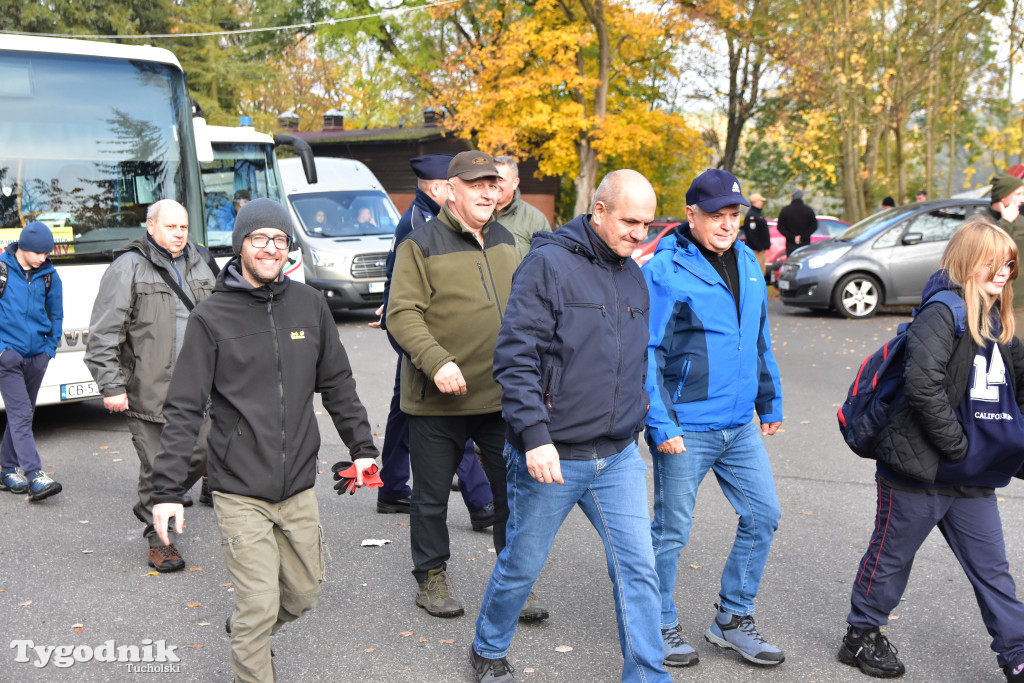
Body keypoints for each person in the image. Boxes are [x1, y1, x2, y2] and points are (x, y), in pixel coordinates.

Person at [150, 198, 380, 683]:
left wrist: (362, 450)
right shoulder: (212, 317)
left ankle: (247, 633)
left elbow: (337, 384)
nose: (271, 248)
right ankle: (251, 648)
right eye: (259, 239)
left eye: (279, 239)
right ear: (241, 246)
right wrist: (168, 490)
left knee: (303, 594)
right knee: (258, 603)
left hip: (297, 483)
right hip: (238, 488)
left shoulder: (309, 304)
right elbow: (184, 407)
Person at [470, 169, 669, 683]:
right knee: (521, 566)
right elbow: (515, 360)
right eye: (629, 221)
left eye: (646, 224)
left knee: (638, 570)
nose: (638, 234)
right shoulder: (547, 264)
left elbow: (637, 358)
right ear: (598, 211)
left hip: (618, 456)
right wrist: (535, 437)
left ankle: (647, 676)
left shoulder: (633, 272)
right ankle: (488, 646)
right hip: (552, 456)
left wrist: (646, 416)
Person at [838, 216, 1024, 682]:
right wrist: (957, 446)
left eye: (1010, 265)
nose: (1003, 272)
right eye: (994, 263)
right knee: (891, 559)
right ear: (968, 261)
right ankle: (860, 636)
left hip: (971, 475)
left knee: (993, 571)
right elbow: (923, 386)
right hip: (920, 469)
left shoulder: (995, 317)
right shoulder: (943, 311)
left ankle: (1017, 653)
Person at [644, 168, 785, 668]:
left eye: (733, 216)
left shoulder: (748, 261)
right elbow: (648, 352)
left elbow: (759, 337)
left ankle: (732, 617)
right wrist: (662, 425)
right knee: (671, 531)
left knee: (763, 515)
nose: (727, 225)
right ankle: (657, 620)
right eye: (716, 216)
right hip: (686, 427)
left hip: (739, 425)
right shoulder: (665, 269)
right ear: (691, 214)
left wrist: (769, 400)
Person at [386, 150, 519, 620]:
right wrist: (436, 360)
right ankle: (431, 578)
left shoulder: (507, 241)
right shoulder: (419, 244)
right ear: (450, 190)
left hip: (500, 399)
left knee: (512, 497)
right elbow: (401, 313)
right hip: (435, 401)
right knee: (430, 498)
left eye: (493, 185)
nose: (488, 192)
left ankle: (513, 582)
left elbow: (528, 310)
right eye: (476, 184)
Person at [85, 199, 216, 573]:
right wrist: (111, 385)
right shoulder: (128, 266)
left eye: (184, 227)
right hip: (149, 389)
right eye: (171, 226)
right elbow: (103, 335)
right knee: (157, 465)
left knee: (205, 451)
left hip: (200, 388)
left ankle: (166, 496)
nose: (178, 233)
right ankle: (158, 538)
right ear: (151, 226)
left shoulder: (201, 262)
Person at [371, 154, 496, 533]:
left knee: (404, 406)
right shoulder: (417, 223)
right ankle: (481, 499)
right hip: (420, 330)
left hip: (414, 325)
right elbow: (405, 279)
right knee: (443, 406)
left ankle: (391, 486)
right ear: (442, 188)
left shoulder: (424, 216)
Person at [0, 222, 63, 501]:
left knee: (22, 413)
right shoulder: (2, 271)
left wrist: (48, 350)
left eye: (47, 253)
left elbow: (56, 314)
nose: (43, 258)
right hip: (7, 357)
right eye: (38, 253)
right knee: (21, 413)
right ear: (22, 248)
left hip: (37, 356)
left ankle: (5, 469)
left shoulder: (49, 275)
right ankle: (34, 473)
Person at [492, 155, 551, 260]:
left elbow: (547, 261)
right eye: (492, 179)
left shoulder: (535, 219)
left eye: (500, 180)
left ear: (515, 183)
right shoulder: (476, 214)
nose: (495, 184)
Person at [988, 174, 1024, 333]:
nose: (1022, 199)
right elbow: (991, 252)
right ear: (1003, 198)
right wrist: (1005, 223)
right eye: (1018, 194)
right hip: (1002, 306)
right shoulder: (982, 222)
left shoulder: (1021, 221)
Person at [776, 188, 816, 256]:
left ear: (792, 197)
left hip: (790, 244)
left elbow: (780, 227)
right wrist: (803, 237)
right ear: (802, 197)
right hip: (805, 243)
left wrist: (792, 237)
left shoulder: (785, 210)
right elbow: (814, 226)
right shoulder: (808, 210)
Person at [742, 192, 771, 275]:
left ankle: (761, 287)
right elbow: (751, 234)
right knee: (756, 271)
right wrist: (759, 247)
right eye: (760, 201)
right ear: (754, 202)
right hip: (756, 250)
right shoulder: (752, 216)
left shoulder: (758, 214)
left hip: (761, 249)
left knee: (762, 271)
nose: (762, 202)